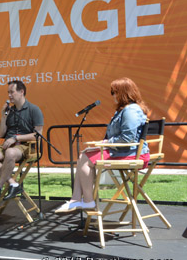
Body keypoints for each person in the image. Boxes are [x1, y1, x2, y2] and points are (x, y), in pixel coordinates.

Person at [55, 77, 150, 213]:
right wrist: (101, 144)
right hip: (124, 151)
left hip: (132, 153)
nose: (112, 96)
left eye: (114, 92)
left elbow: (127, 139)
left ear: (123, 93)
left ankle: (87, 201)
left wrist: (105, 143)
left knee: (85, 158)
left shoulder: (131, 111)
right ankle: (76, 199)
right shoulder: (125, 110)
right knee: (84, 155)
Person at [0, 80, 44, 200]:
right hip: (7, 144)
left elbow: (38, 135)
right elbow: (1, 133)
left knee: (10, 153)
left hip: (25, 146)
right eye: (8, 92)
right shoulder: (9, 111)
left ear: (21, 92)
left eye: (12, 92)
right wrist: (3, 116)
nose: (9, 95)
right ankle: (13, 183)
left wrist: (16, 138)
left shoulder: (34, 109)